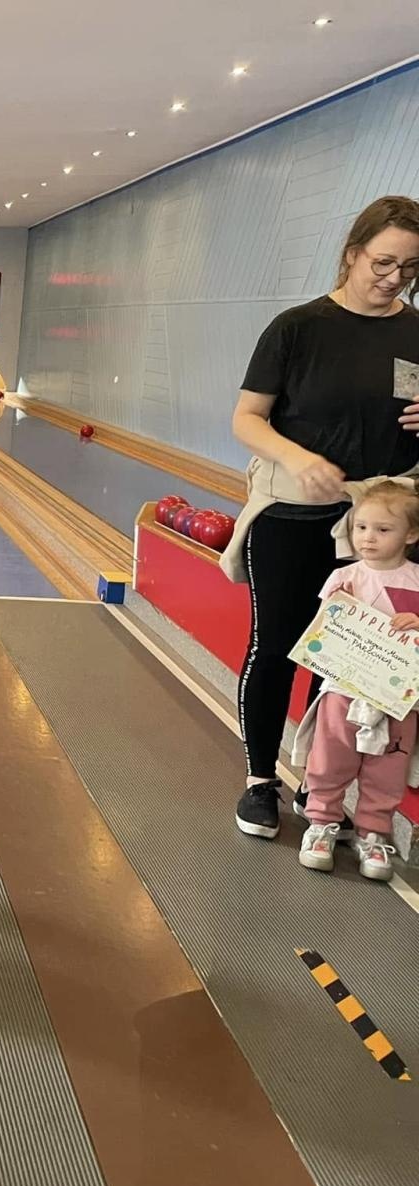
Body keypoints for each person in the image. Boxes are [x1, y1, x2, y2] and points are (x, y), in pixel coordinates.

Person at [223, 195, 419, 840]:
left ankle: (322, 783)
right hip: (298, 513)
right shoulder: (298, 328)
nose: (394, 277)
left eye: (410, 267)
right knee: (277, 645)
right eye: (384, 261)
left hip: (386, 522)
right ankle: (259, 780)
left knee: (351, 661)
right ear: (352, 252)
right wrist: (298, 457)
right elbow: (247, 418)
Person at [290, 483, 419, 880]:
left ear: (410, 535)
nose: (367, 537)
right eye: (361, 527)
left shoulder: (417, 579)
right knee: (330, 759)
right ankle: (322, 823)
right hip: (343, 692)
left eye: (382, 529)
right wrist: (337, 609)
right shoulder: (343, 578)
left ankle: (374, 832)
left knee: (386, 770)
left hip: (399, 699)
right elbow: (323, 636)